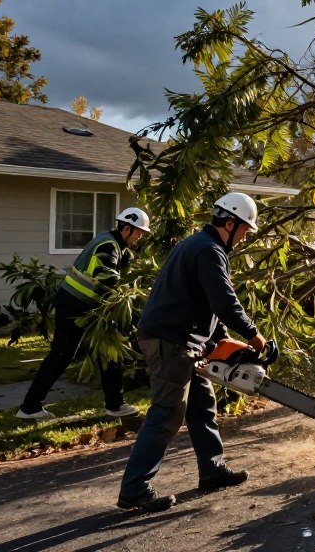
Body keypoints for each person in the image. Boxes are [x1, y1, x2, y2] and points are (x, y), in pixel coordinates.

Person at [116, 192, 267, 513]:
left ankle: (212, 469)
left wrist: (222, 344)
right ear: (230, 222)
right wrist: (254, 336)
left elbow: (207, 305)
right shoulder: (209, 250)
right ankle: (135, 489)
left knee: (202, 404)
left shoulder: (197, 244)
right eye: (243, 230)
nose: (243, 238)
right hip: (171, 341)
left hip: (184, 340)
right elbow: (224, 300)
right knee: (167, 412)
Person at [16, 207, 151, 420]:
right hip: (75, 306)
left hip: (83, 307)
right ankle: (30, 407)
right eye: (139, 232)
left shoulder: (115, 245)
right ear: (127, 229)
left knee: (108, 351)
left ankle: (115, 405)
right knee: (62, 356)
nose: (140, 237)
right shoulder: (108, 245)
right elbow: (107, 279)